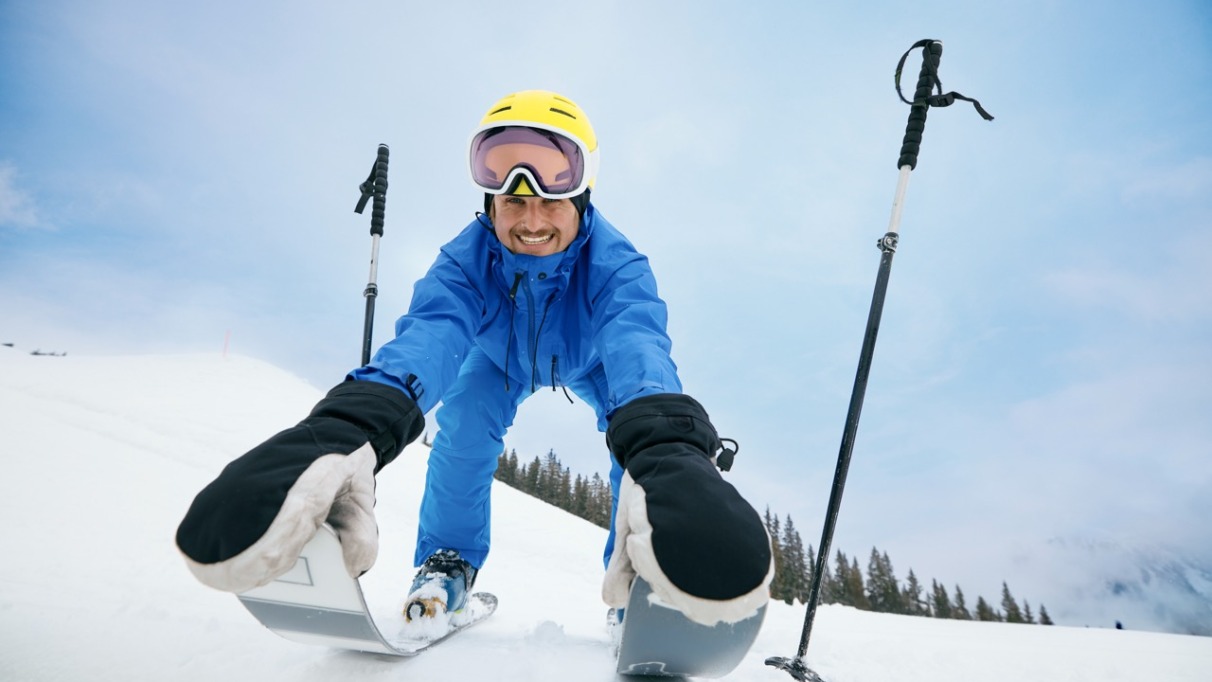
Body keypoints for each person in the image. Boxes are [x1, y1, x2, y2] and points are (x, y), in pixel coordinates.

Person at [175, 90, 773, 628]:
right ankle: (449, 560)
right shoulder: (466, 262)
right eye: (512, 200)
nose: (531, 220)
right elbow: (431, 333)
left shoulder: (617, 265)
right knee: (462, 426)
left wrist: (667, 445)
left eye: (551, 199)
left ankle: (640, 572)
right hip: (496, 358)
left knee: (638, 441)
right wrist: (354, 422)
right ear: (489, 202)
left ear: (582, 197)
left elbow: (637, 343)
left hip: (593, 360)